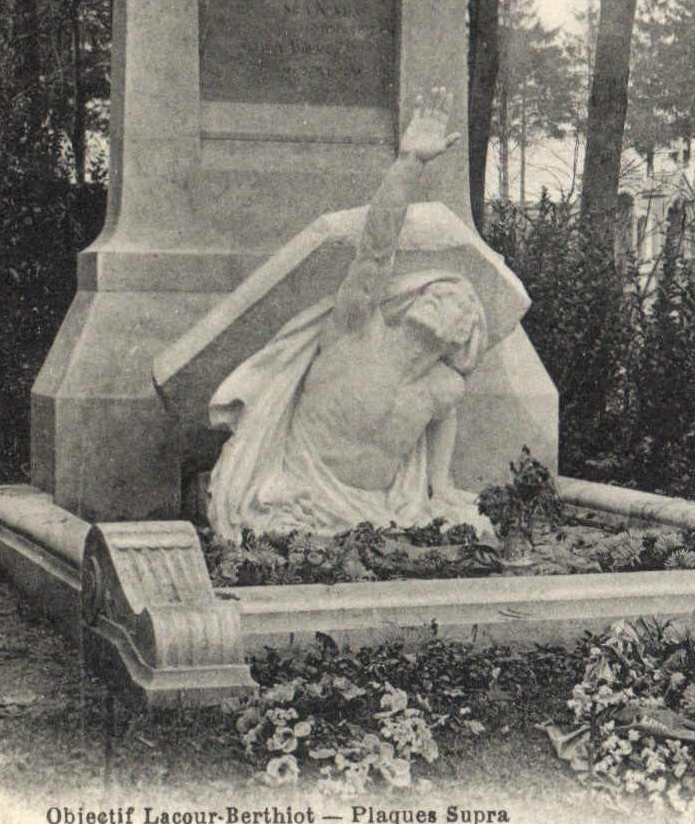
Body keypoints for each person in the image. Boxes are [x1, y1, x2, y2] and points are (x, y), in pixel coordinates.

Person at [206, 89, 491, 544]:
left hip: (372, 515)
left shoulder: (443, 388)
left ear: (465, 338)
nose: (448, 300)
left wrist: (443, 485)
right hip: (295, 493)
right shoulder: (359, 328)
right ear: (412, 298)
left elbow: (445, 426)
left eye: (462, 303)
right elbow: (376, 251)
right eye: (438, 290)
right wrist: (410, 164)